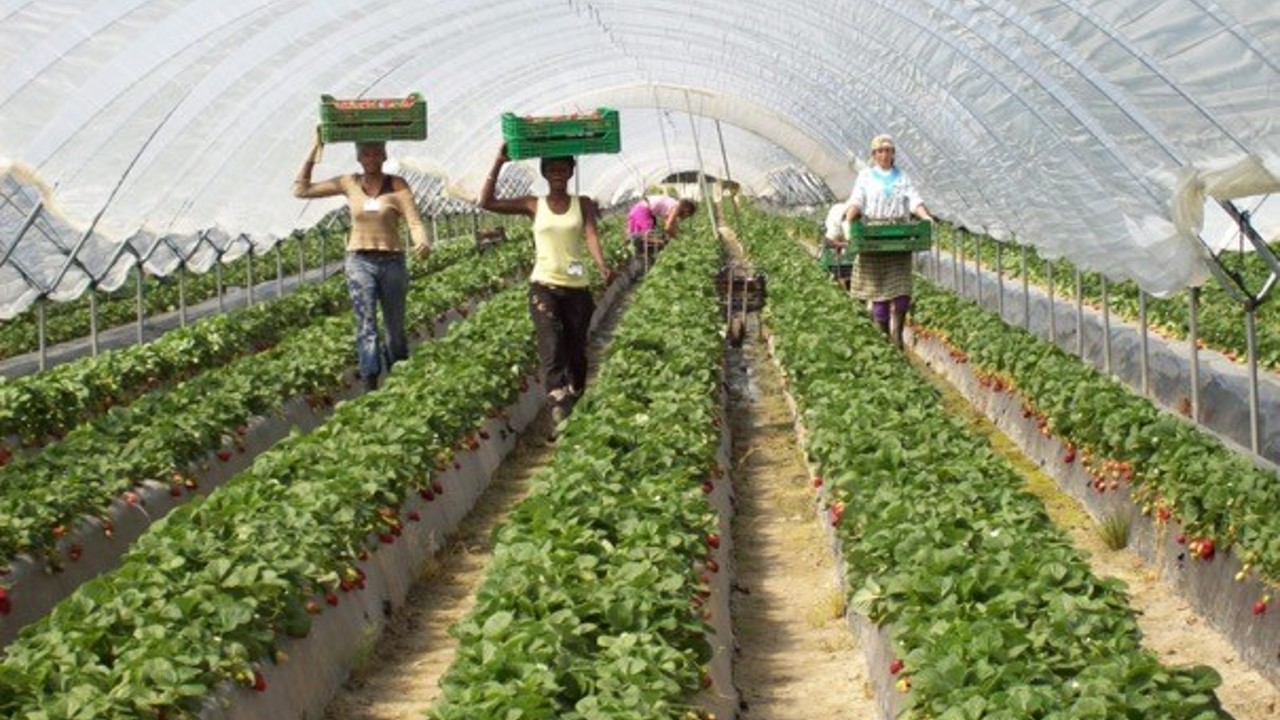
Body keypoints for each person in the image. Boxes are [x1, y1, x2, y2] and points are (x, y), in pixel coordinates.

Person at [479, 144, 614, 429]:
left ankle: (575, 392)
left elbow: (590, 235)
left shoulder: (584, 203)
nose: (557, 174)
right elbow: (486, 202)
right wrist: (498, 162)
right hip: (543, 285)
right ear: (544, 173)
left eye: (562, 169)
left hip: (577, 285)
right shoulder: (532, 204)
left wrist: (601, 264)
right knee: (551, 345)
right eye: (551, 169)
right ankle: (556, 400)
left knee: (575, 350)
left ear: (570, 172)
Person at [293, 136, 431, 391]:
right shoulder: (349, 182)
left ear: (384, 156)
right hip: (359, 261)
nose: (370, 159)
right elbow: (301, 190)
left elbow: (414, 220)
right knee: (365, 323)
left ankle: (400, 378)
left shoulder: (397, 184)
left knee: (394, 327)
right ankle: (370, 383)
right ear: (358, 158)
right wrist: (314, 149)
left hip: (392, 262)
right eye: (365, 154)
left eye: (376, 153)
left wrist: (421, 240)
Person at [844, 134, 933, 348]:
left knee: (901, 292)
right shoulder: (866, 176)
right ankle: (883, 336)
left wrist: (925, 216)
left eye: (888, 150)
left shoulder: (902, 177)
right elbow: (857, 199)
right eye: (880, 151)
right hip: (874, 237)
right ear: (874, 155)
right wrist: (851, 214)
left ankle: (898, 335)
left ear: (893, 154)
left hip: (898, 237)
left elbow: (914, 199)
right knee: (879, 293)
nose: (884, 155)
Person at [626, 194, 697, 259]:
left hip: (638, 209)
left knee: (636, 237)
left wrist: (677, 233)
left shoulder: (674, 204)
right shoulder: (676, 207)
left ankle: (636, 258)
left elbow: (671, 224)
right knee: (646, 237)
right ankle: (643, 260)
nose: (685, 218)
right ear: (686, 210)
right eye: (687, 215)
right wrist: (678, 239)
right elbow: (668, 228)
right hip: (642, 211)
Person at [822, 200, 852, 289]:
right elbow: (831, 240)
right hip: (837, 221)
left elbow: (851, 241)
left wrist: (844, 245)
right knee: (833, 255)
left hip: (843, 224)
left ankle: (840, 276)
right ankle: (834, 275)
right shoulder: (835, 219)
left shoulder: (849, 223)